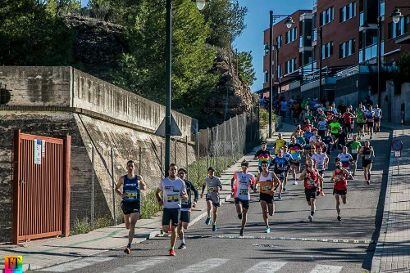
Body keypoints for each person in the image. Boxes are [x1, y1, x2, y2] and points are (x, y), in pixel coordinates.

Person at [155, 164, 188, 256]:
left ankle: (172, 248)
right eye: (171, 169)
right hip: (166, 208)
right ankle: (168, 228)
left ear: (176, 171)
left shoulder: (181, 182)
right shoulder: (164, 181)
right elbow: (157, 192)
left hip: (176, 208)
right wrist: (159, 200)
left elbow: (186, 196)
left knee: (174, 229)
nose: (173, 171)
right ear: (168, 171)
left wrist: (184, 196)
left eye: (175, 169)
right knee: (165, 229)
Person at [115, 160, 147, 254]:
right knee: (127, 226)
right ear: (126, 167)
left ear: (134, 167)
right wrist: (121, 195)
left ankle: (129, 245)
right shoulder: (123, 179)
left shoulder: (138, 178)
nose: (130, 167)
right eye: (129, 166)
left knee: (132, 224)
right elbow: (116, 188)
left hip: (135, 203)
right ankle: (127, 226)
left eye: (132, 166)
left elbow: (144, 186)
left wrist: (141, 187)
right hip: (126, 203)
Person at [231, 160, 256, 236]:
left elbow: (254, 188)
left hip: (246, 196)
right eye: (242, 167)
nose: (244, 168)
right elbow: (232, 180)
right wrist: (232, 188)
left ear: (248, 167)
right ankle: (239, 213)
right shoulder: (237, 174)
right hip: (238, 195)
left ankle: (242, 228)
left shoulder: (251, 176)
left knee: (245, 213)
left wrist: (251, 184)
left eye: (245, 167)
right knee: (239, 210)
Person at [177, 168, 199, 249]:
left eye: (182, 173)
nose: (181, 175)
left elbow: (196, 192)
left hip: (187, 207)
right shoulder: (175, 183)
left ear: (185, 175)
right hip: (178, 207)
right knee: (179, 225)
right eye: (179, 173)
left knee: (185, 226)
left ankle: (182, 237)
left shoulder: (188, 183)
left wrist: (195, 201)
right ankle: (183, 243)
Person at [256, 161, 280, 233]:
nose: (264, 167)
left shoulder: (271, 174)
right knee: (264, 211)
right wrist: (255, 187)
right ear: (261, 166)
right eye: (263, 166)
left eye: (265, 166)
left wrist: (274, 189)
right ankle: (267, 226)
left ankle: (273, 205)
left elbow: (278, 182)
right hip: (262, 194)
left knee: (271, 213)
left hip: (270, 195)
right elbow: (256, 183)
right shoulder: (259, 175)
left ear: (268, 166)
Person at [299, 157, 323, 222]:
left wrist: (320, 188)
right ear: (307, 163)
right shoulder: (305, 171)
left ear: (313, 163)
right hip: (307, 189)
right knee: (309, 203)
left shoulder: (315, 170)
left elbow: (320, 178)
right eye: (309, 162)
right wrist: (305, 176)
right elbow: (300, 178)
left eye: (311, 162)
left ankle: (311, 215)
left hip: (314, 189)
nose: (310, 163)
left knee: (312, 201)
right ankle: (313, 209)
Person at [201, 167, 222, 232]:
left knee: (215, 212)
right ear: (208, 172)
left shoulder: (217, 179)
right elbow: (204, 185)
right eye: (210, 172)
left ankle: (214, 223)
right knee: (209, 205)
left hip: (215, 196)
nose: (211, 173)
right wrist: (202, 192)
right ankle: (209, 217)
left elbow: (221, 187)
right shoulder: (206, 179)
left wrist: (218, 188)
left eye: (212, 172)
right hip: (209, 195)